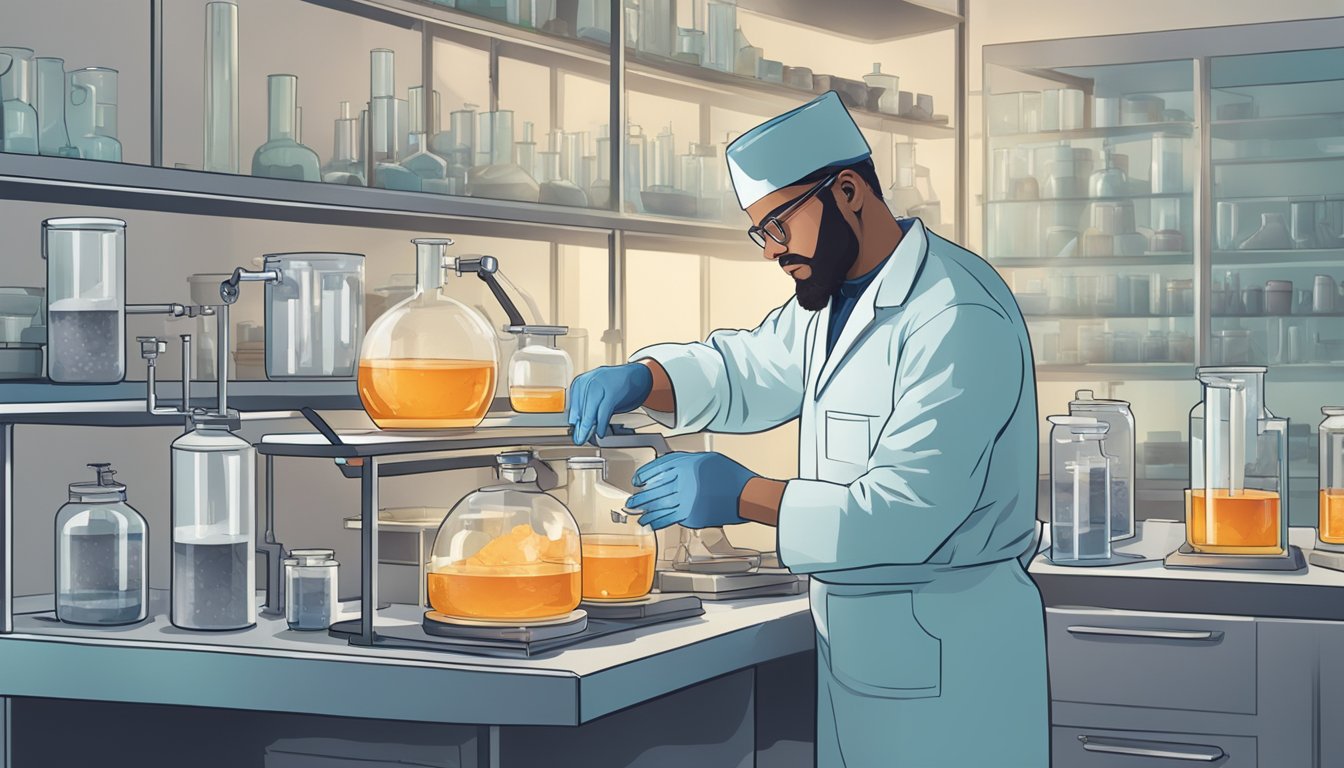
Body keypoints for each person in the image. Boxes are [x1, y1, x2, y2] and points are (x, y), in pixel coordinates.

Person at [566, 91, 1048, 767]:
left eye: (780, 226)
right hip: (867, 652)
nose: (772, 251)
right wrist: (645, 377)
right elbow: (748, 369)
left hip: (952, 656)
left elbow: (909, 512)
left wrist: (742, 495)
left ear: (848, 191)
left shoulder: (954, 312)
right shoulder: (831, 297)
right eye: (761, 233)